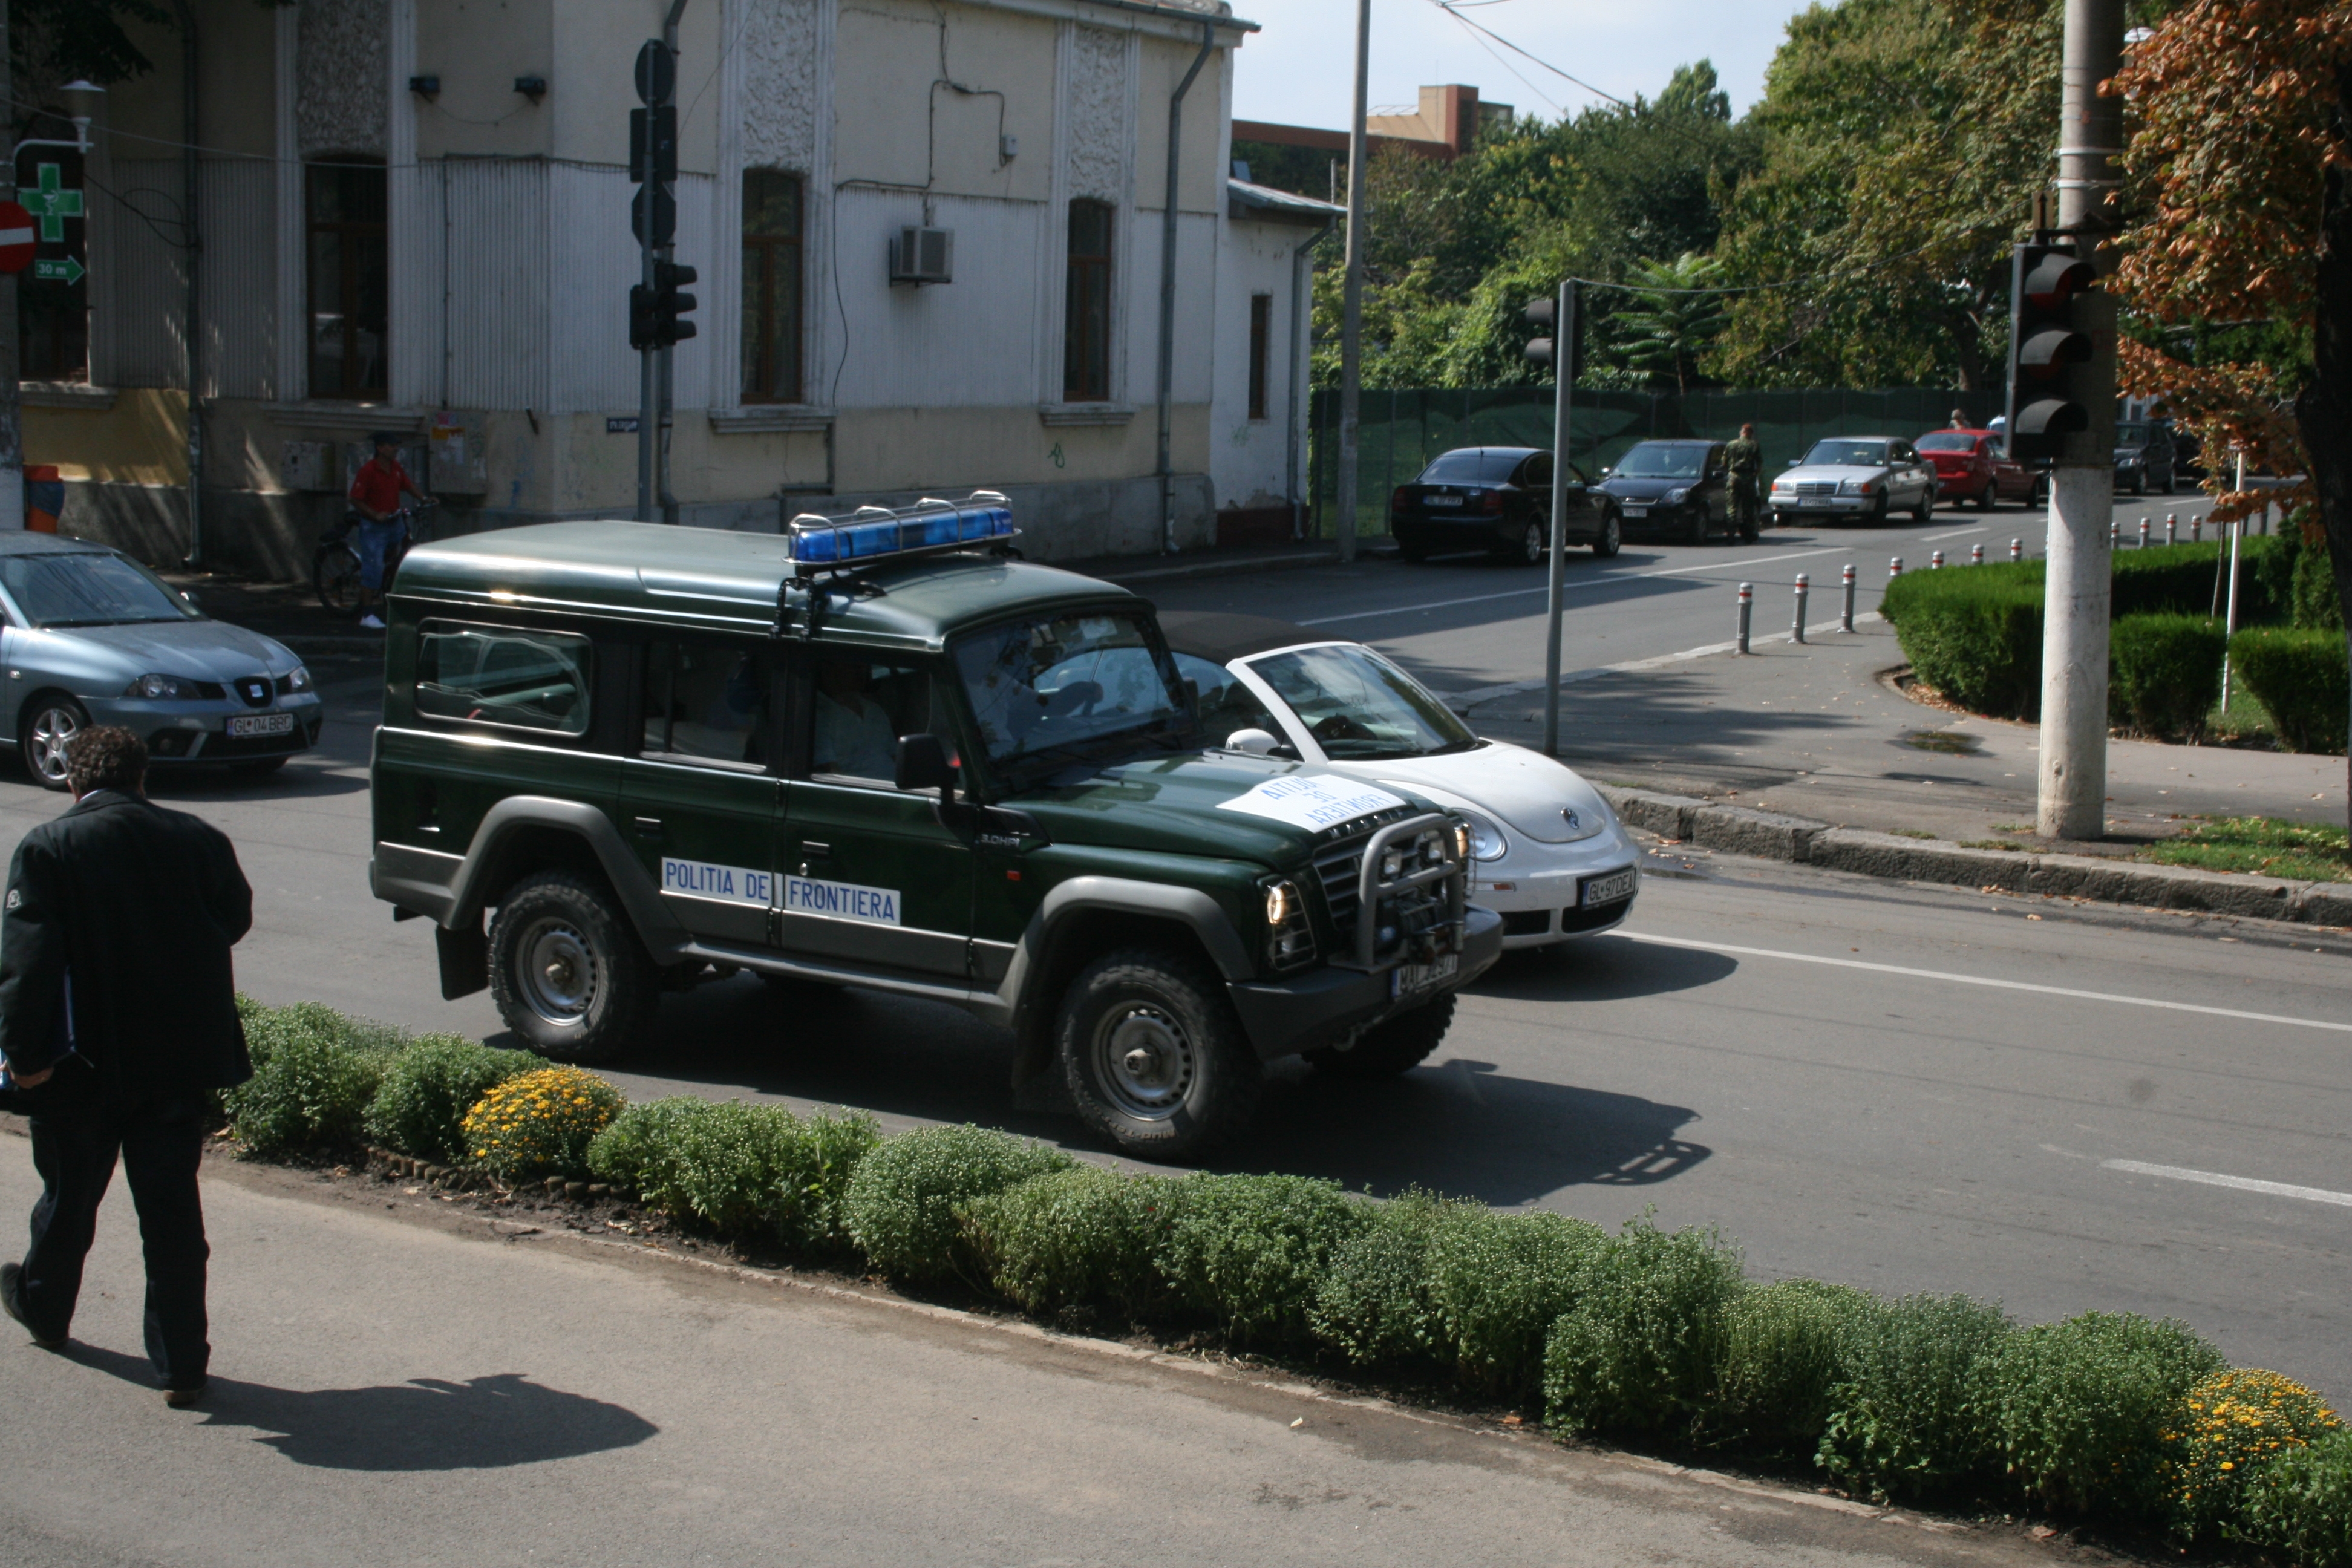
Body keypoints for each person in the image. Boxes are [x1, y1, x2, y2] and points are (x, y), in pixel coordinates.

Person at [0, 728, 253, 1410]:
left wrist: (23, 1061)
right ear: (143, 777)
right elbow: (233, 920)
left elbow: (27, 968)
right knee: (172, 1217)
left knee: (69, 1200)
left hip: (81, 1066)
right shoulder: (199, 840)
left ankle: (46, 1312)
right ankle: (182, 1366)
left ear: (73, 783)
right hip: (174, 1063)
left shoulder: (49, 848)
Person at [348, 431, 430, 631]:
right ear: (380, 448)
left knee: (398, 559)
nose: (395, 449)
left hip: (395, 522)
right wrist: (375, 515)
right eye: (391, 446)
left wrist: (424, 499)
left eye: (396, 446)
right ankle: (366, 614)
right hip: (375, 526)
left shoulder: (395, 468)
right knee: (373, 568)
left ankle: (390, 598)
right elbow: (355, 499)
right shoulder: (368, 470)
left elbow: (407, 485)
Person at [812, 658, 900, 779]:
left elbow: (895, 755)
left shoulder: (874, 709)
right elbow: (831, 772)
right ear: (829, 670)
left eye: (863, 667)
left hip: (898, 787)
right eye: (853, 666)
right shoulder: (818, 714)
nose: (861, 672)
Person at [1725, 423, 1763, 534]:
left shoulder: (1731, 444)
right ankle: (1748, 534)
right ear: (1750, 433)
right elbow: (1759, 463)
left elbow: (1724, 462)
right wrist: (1754, 475)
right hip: (1748, 479)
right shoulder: (1754, 445)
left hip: (1733, 478)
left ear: (1742, 433)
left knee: (1732, 508)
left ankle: (1730, 534)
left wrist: (1730, 471)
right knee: (1748, 508)